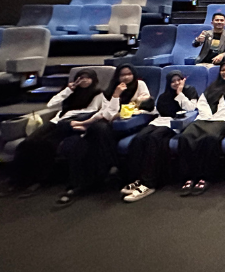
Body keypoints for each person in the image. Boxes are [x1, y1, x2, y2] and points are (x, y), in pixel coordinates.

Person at [53, 65, 152, 207]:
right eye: (122, 75)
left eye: (129, 74)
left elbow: (145, 104)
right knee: (81, 143)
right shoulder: (112, 89)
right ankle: (78, 183)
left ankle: (100, 174)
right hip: (110, 124)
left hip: (130, 124)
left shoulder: (140, 85)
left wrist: (127, 108)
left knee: (98, 130)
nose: (126, 77)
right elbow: (108, 113)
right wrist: (116, 95)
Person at [7, 69, 103, 197]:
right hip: (56, 121)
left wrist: (74, 118)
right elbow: (51, 104)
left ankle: (39, 180)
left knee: (46, 145)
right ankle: (18, 180)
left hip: (72, 124)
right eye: (81, 77)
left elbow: (93, 111)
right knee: (28, 142)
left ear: (93, 80)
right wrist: (68, 90)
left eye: (87, 78)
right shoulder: (70, 91)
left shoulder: (97, 94)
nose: (84, 80)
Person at [121, 71, 199, 202]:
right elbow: (158, 110)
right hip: (158, 121)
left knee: (154, 139)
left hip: (174, 123)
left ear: (183, 80)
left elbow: (191, 108)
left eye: (178, 80)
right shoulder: (164, 95)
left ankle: (149, 182)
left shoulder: (190, 91)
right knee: (139, 138)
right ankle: (138, 178)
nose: (176, 83)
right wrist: (142, 109)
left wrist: (180, 93)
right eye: (173, 81)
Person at [178, 61, 225, 195]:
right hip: (204, 118)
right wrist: (207, 116)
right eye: (222, 70)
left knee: (209, 139)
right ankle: (189, 177)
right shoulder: (213, 86)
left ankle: (205, 177)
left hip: (222, 120)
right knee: (185, 137)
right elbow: (202, 102)